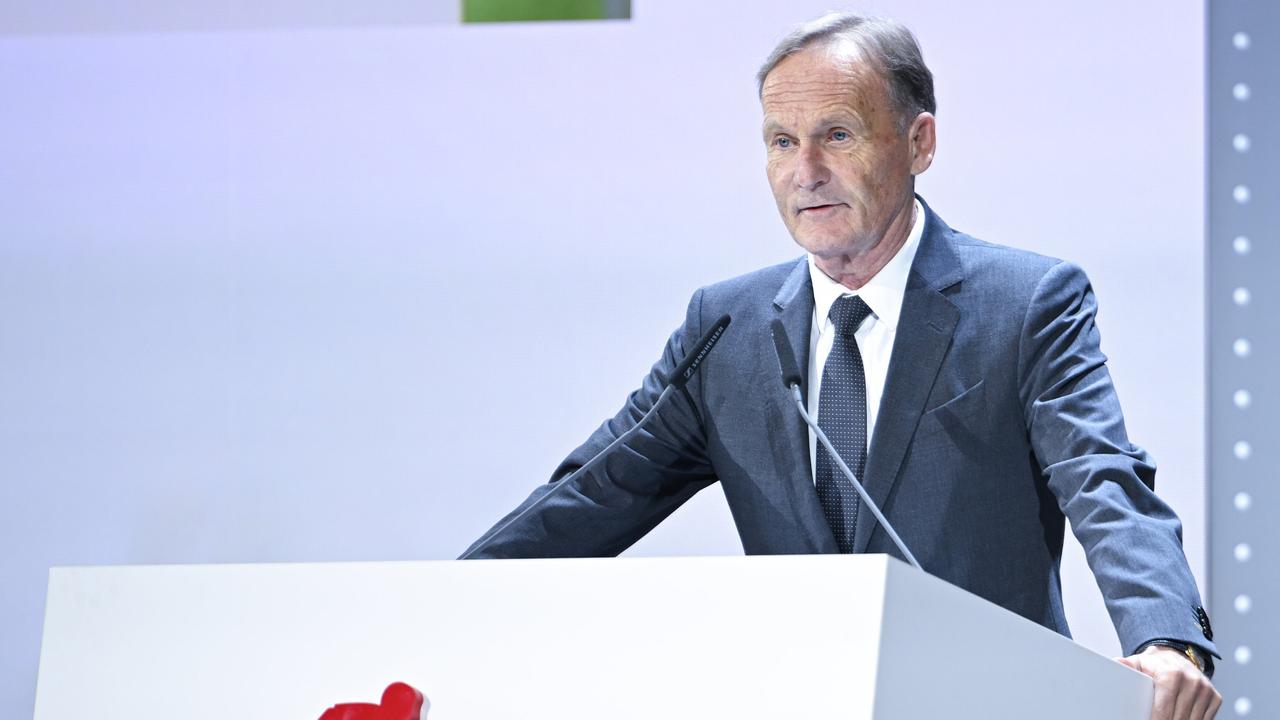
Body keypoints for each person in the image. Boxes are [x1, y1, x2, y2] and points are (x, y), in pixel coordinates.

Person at [462, 12, 1221, 720]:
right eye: (781, 141)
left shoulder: (1024, 304)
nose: (807, 171)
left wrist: (1166, 640)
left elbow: (1103, 479)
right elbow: (592, 494)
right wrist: (439, 604)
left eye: (838, 134)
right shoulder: (723, 329)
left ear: (920, 143)